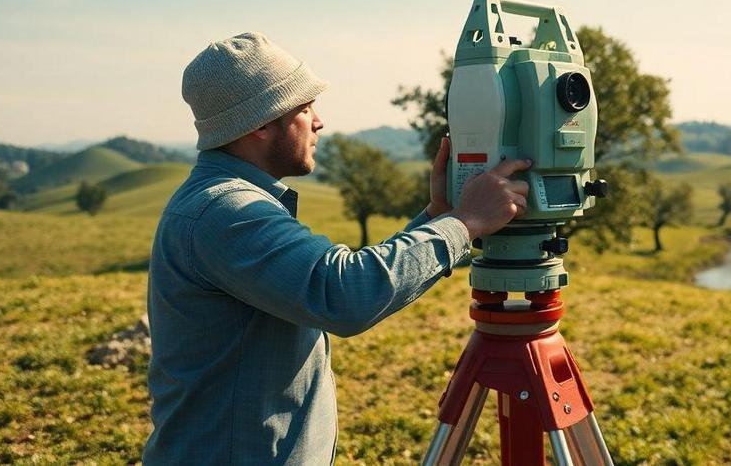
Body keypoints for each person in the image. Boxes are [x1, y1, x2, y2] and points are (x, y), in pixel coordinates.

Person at [144, 32, 529, 464]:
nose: (319, 122)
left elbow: (326, 285)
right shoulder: (226, 210)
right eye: (305, 108)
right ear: (260, 123)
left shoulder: (224, 202)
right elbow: (341, 291)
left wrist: (439, 217)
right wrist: (466, 222)